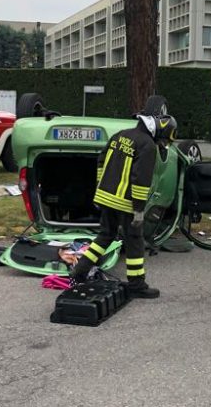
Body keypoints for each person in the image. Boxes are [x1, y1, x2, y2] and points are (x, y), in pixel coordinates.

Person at [70, 113, 177, 300]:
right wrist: (138, 210)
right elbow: (140, 180)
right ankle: (137, 285)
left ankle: (79, 272)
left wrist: (99, 188)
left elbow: (101, 160)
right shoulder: (147, 145)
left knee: (105, 235)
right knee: (135, 240)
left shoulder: (120, 135)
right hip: (124, 202)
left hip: (105, 197)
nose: (162, 144)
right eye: (163, 139)